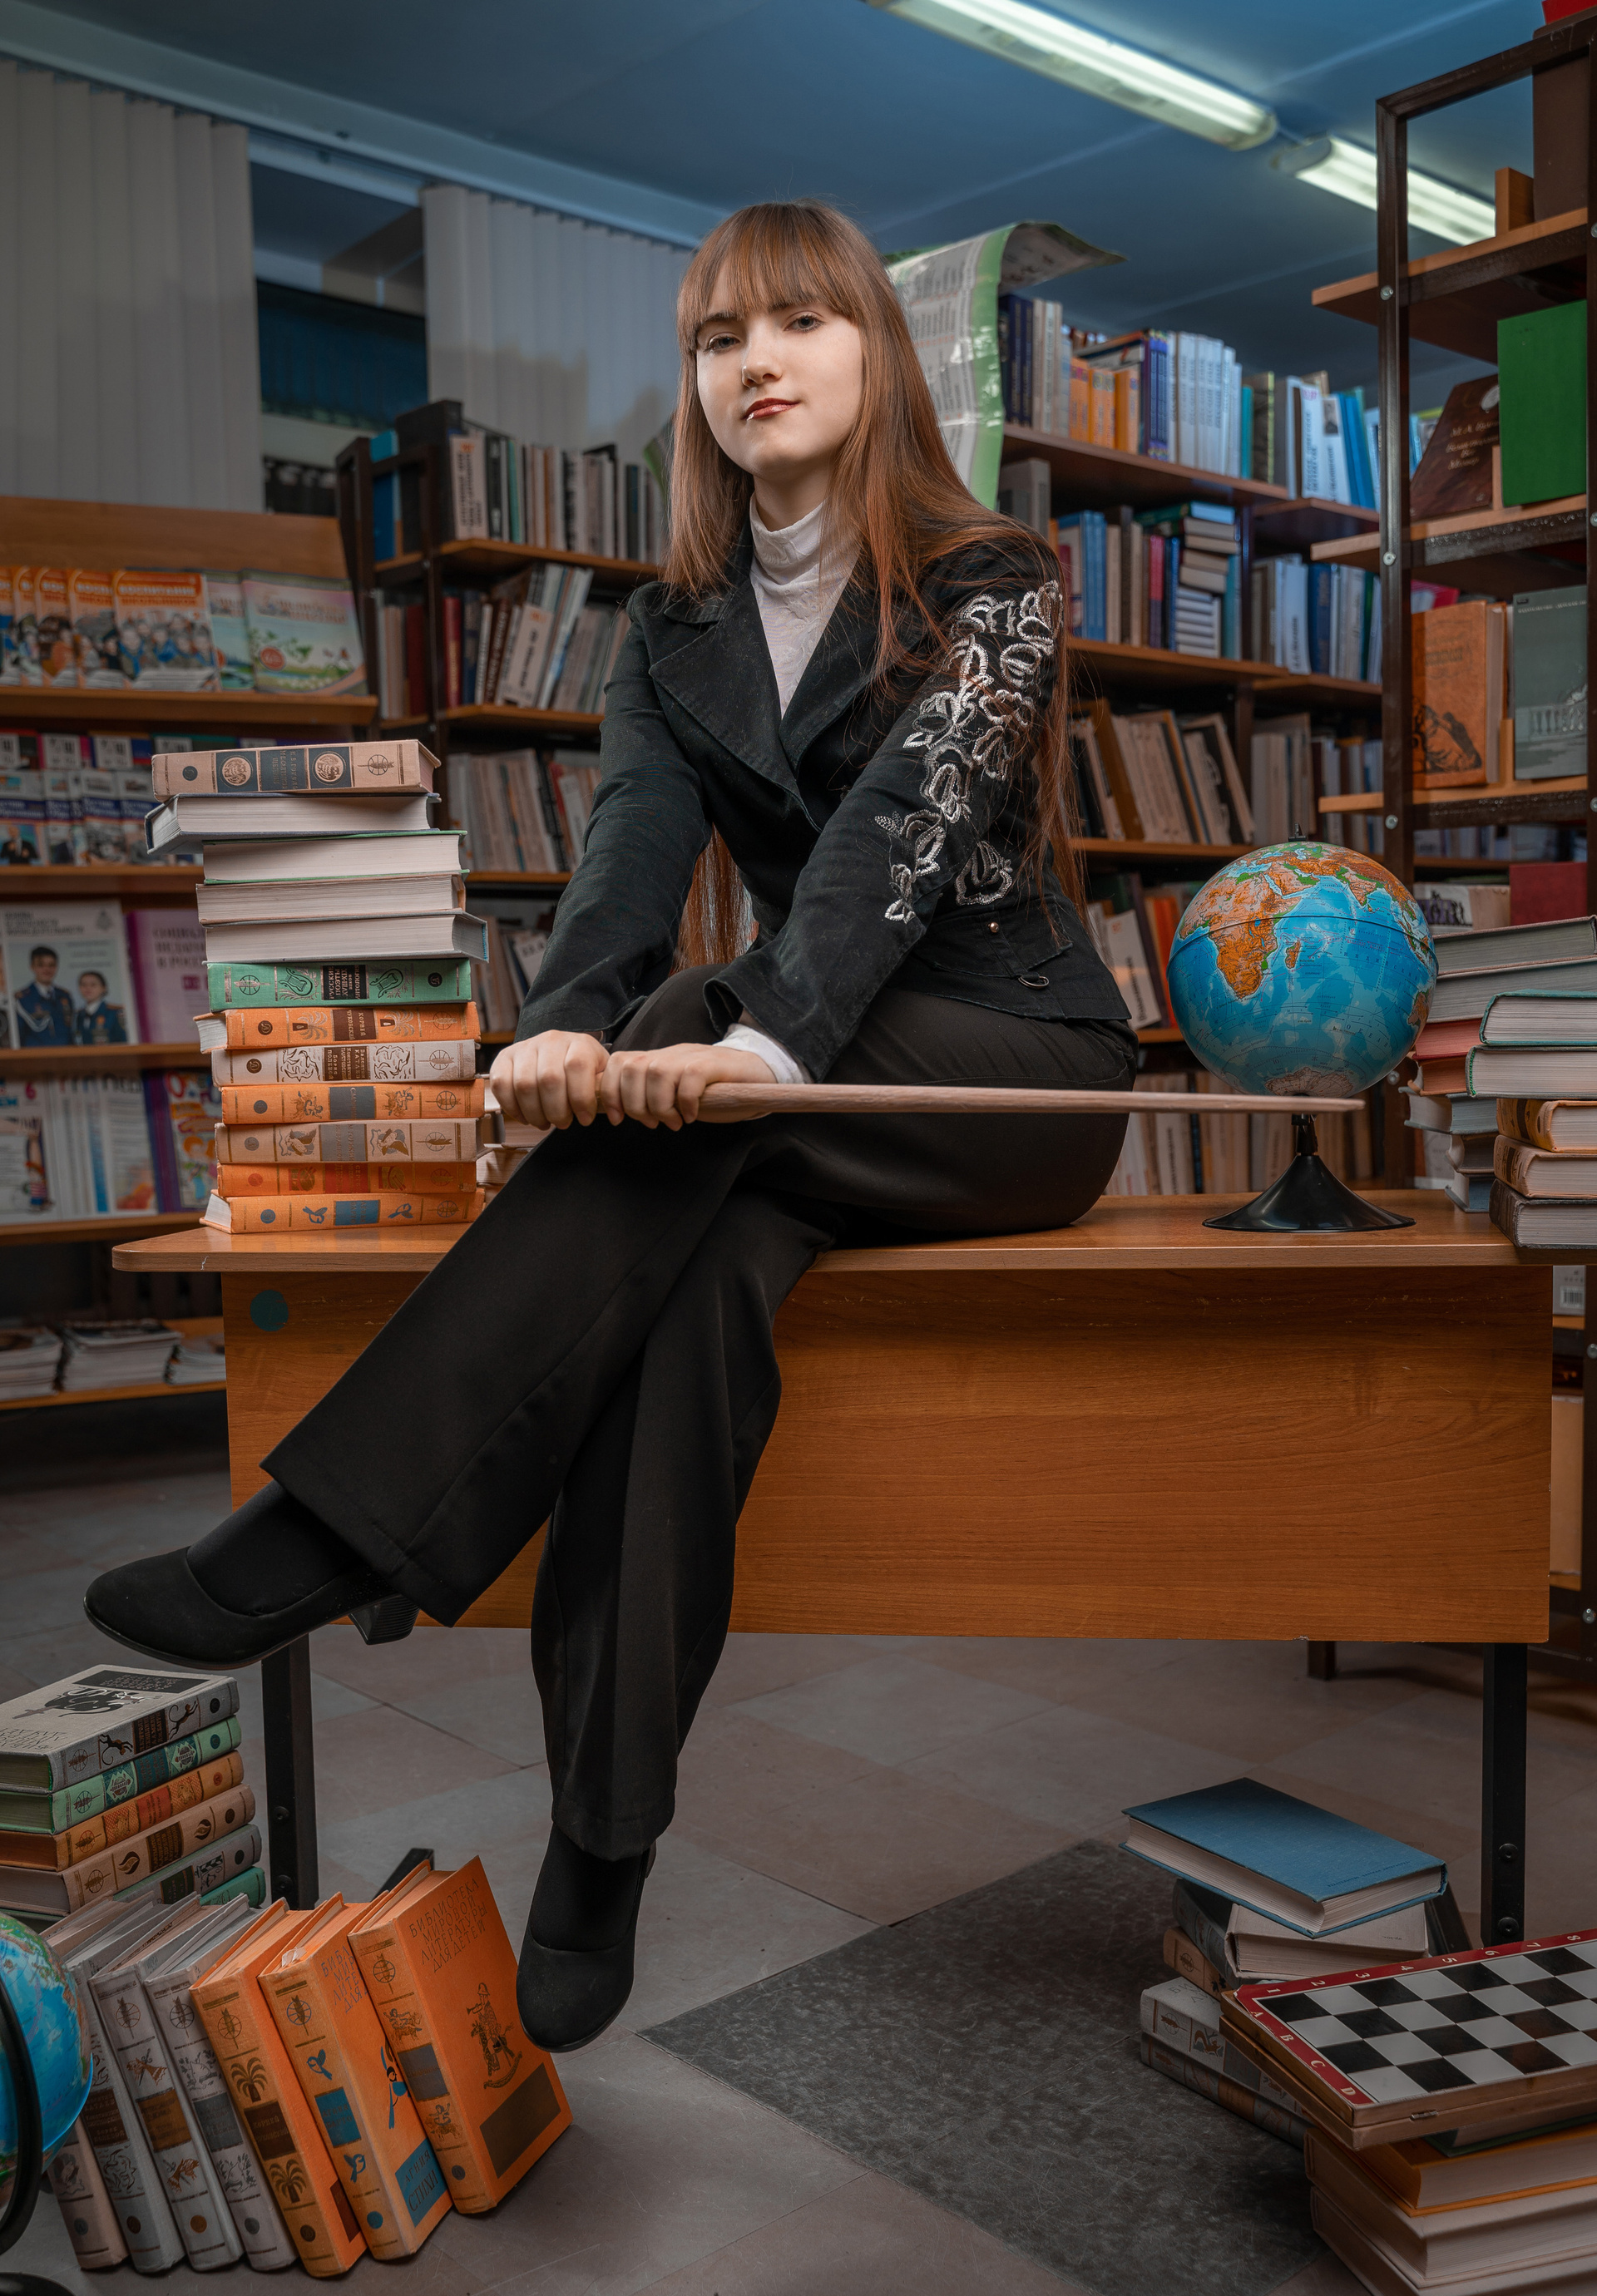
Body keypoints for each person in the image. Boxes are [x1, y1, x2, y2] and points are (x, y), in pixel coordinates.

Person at [86, 200, 1135, 2053]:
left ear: (878, 355)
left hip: (1007, 1067)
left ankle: (336, 1533)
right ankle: (604, 1835)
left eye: (800, 322)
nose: (756, 363)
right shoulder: (669, 628)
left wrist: (759, 1043)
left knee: (703, 1030)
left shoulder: (997, 580)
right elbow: (632, 849)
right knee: (694, 1281)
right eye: (721, 337)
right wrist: (561, 1029)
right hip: (785, 1112)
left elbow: (896, 839)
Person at [13, 946, 75, 1045]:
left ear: (56, 967)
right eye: (41, 965)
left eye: (51, 965)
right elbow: (18, 1034)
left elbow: (70, 1031)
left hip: (64, 1052)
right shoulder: (22, 999)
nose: (47, 969)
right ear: (32, 967)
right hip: (35, 1053)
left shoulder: (64, 996)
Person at [73, 968, 128, 1044]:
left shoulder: (114, 1013)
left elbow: (124, 1041)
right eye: (84, 985)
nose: (88, 988)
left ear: (103, 988)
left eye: (93, 985)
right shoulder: (80, 1015)